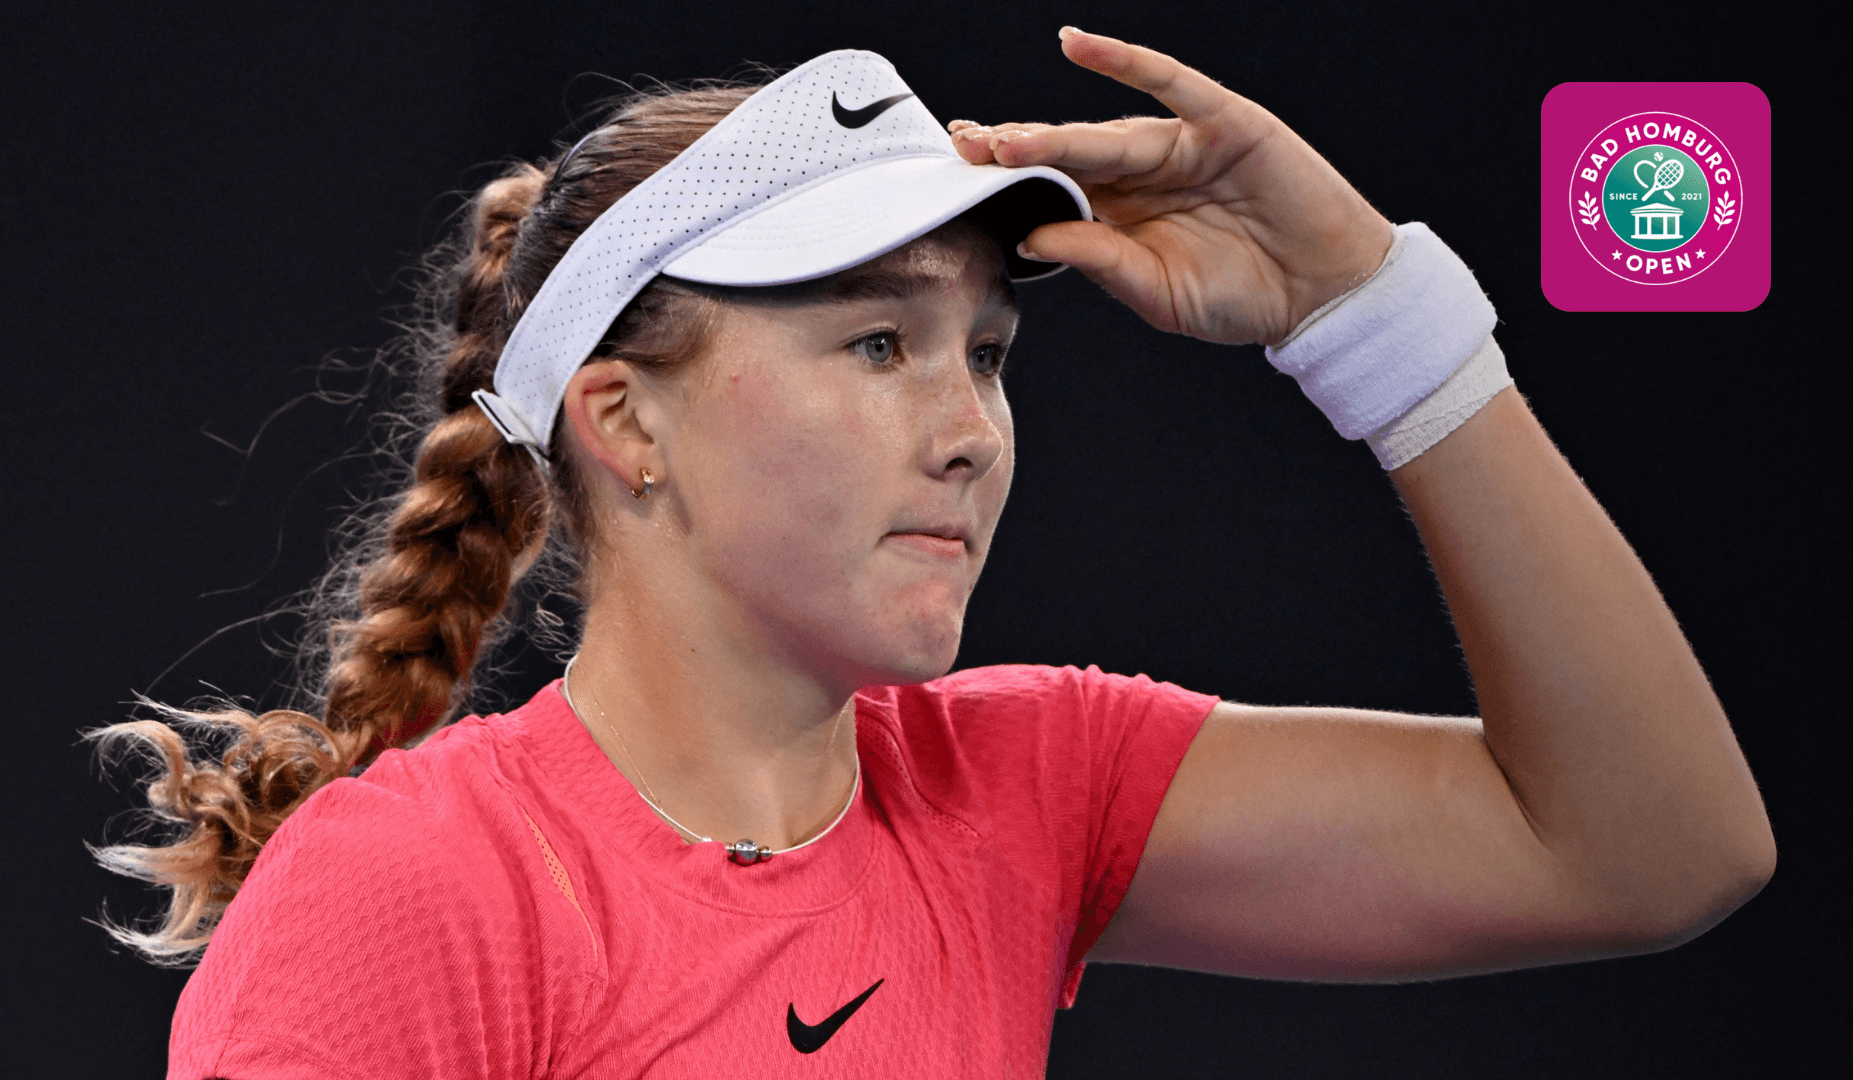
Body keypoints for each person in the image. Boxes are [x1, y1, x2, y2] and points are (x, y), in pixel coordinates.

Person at [92, 28, 1775, 1078]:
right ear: (624, 421)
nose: (971, 428)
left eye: (987, 352)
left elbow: (1655, 849)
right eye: (879, 344)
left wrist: (1375, 317)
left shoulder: (1021, 788)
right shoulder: (414, 890)